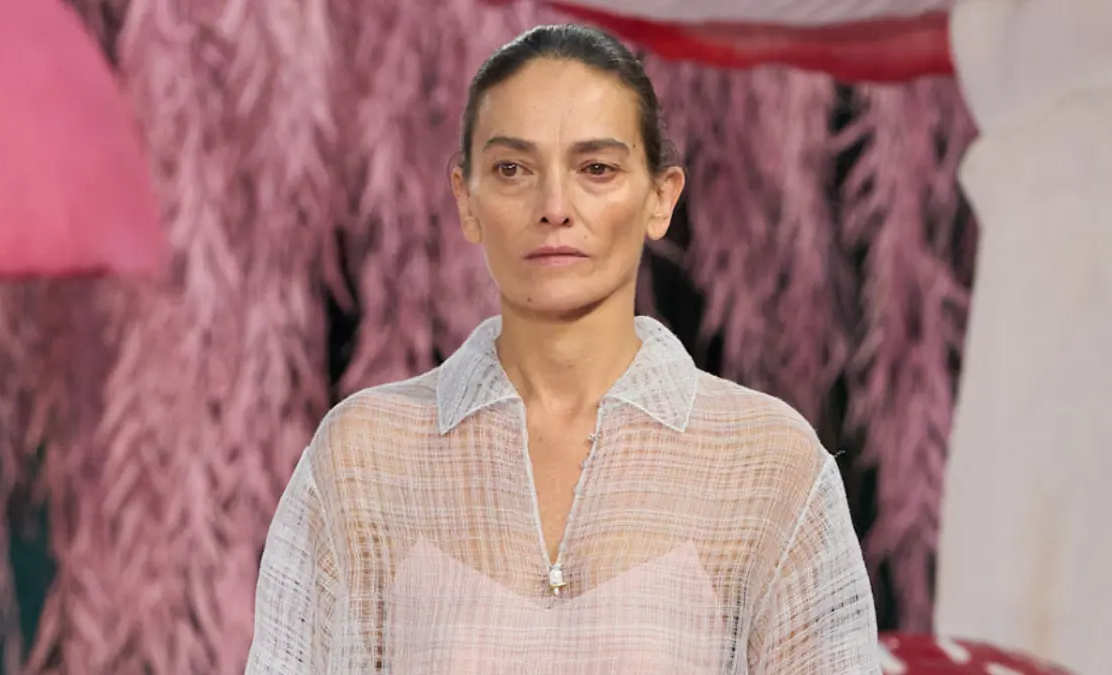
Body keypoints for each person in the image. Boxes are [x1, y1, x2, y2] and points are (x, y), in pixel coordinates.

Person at [245, 24, 879, 675]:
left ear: (660, 198)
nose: (554, 207)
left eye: (596, 169)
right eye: (512, 170)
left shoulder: (765, 463)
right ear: (467, 199)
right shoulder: (365, 457)